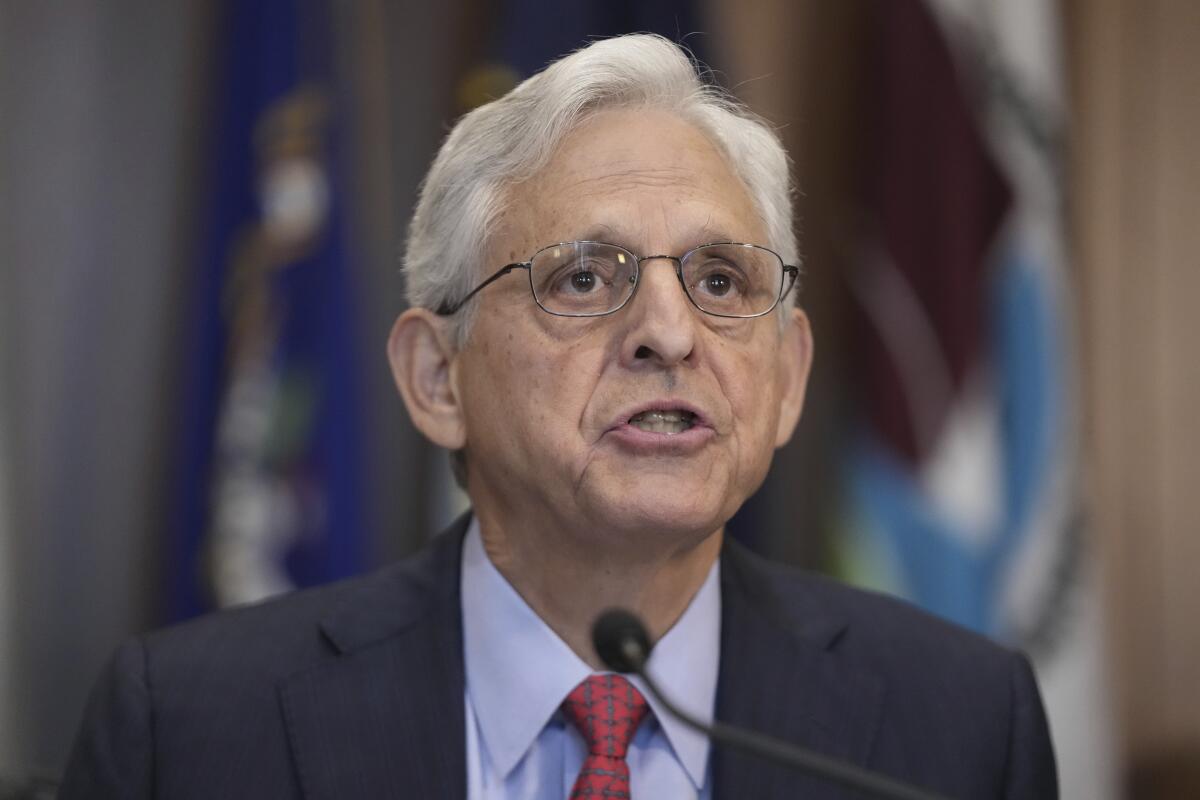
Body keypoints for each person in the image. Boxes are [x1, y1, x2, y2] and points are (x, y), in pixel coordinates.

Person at [61, 34, 1057, 799]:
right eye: (584, 276)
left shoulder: (960, 727)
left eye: (720, 278)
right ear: (436, 376)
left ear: (788, 377)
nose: (668, 331)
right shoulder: (189, 731)